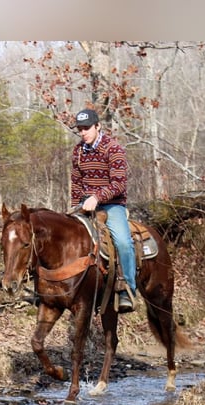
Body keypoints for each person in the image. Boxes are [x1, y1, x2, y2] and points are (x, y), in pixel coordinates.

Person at [70, 108, 136, 313]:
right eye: (80, 129)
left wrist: (97, 197)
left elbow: (119, 184)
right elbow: (76, 183)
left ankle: (127, 289)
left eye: (86, 128)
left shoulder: (113, 149)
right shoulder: (78, 152)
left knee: (123, 242)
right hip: (85, 205)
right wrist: (76, 204)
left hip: (112, 205)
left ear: (98, 126)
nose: (83, 132)